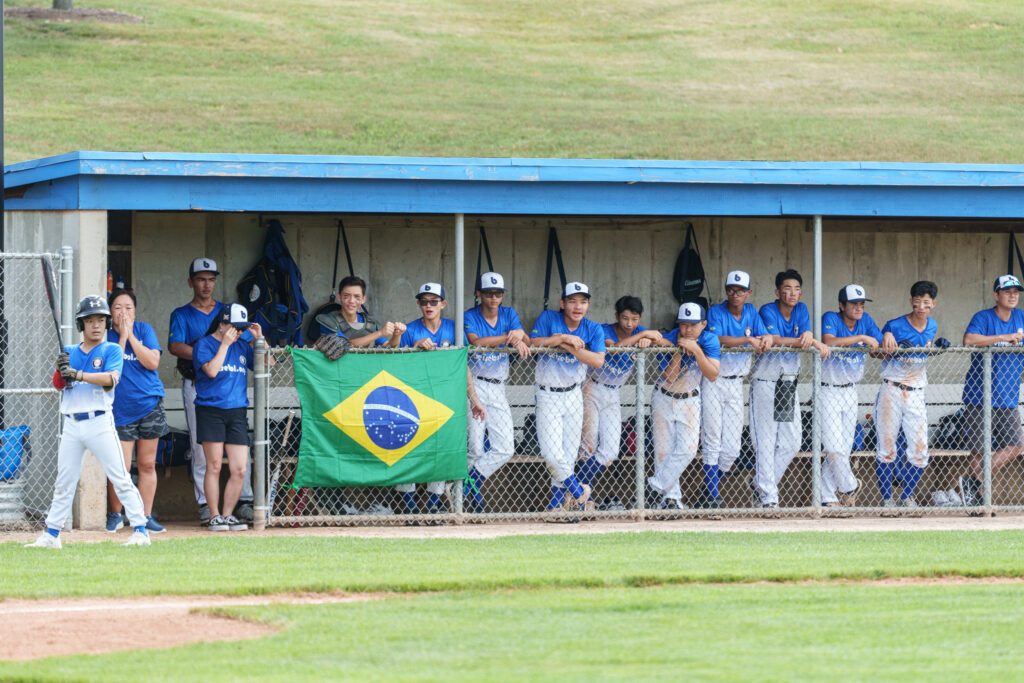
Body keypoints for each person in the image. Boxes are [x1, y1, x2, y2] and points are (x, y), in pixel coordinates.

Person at [26, 296, 151, 548]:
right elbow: (59, 385)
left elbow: (110, 379)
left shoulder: (112, 349)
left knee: (120, 476)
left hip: (99, 422)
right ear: (81, 324)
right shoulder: (70, 352)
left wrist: (78, 374)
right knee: (64, 480)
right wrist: (60, 370)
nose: (96, 325)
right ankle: (51, 535)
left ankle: (140, 530)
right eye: (90, 320)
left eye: (101, 320)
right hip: (72, 423)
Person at [168, 258, 254, 524]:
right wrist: (209, 354)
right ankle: (207, 505)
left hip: (232, 393)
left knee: (240, 460)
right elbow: (174, 346)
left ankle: (242, 502)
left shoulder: (228, 312)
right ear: (191, 282)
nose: (206, 284)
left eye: (211, 279)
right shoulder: (182, 313)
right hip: (198, 384)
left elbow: (254, 349)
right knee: (203, 452)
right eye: (201, 279)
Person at [395, 283, 484, 517]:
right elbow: (393, 361)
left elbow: (463, 365)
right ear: (418, 304)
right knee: (410, 448)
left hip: (445, 398)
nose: (428, 306)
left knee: (441, 450)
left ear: (443, 304)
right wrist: (414, 347)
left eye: (434, 301)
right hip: (414, 398)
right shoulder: (411, 329)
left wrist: (473, 398)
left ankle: (433, 503)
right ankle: (409, 505)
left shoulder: (454, 329)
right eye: (424, 301)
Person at [749, 269, 830, 511]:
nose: (792, 293)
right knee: (765, 442)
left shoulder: (802, 309)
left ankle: (762, 484)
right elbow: (772, 339)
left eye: (796, 288)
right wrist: (811, 340)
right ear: (777, 292)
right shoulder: (767, 310)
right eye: (787, 288)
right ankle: (768, 498)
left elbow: (802, 338)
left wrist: (809, 338)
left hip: (788, 384)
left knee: (791, 442)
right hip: (766, 381)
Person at [576, 296, 662, 508]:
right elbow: (615, 348)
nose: (630, 324)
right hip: (591, 387)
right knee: (587, 447)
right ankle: (583, 498)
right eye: (625, 318)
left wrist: (649, 339)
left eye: (634, 319)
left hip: (614, 394)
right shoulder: (604, 330)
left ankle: (577, 488)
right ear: (617, 316)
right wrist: (642, 335)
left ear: (639, 317)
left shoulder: (641, 331)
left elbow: (659, 338)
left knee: (611, 451)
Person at [530, 282, 606, 515]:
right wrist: (562, 337)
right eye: (572, 301)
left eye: (582, 301)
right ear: (562, 303)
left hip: (574, 394)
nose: (577, 306)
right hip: (548, 393)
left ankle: (555, 505)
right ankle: (578, 492)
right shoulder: (549, 317)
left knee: (568, 454)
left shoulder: (593, 328)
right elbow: (532, 344)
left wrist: (569, 346)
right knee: (552, 453)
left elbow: (598, 361)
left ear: (588, 305)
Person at [701, 271, 773, 508]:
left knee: (732, 449)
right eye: (731, 290)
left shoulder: (751, 312)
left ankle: (708, 489)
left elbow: (764, 334)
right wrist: (747, 340)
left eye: (740, 291)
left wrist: (766, 340)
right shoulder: (716, 311)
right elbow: (717, 340)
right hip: (714, 380)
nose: (735, 295)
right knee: (712, 441)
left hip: (737, 383)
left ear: (748, 293)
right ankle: (713, 497)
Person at [193, 303, 265, 531]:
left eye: (242, 328)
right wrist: (224, 344)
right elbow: (212, 371)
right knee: (213, 465)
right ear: (222, 324)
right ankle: (214, 515)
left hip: (237, 411)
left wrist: (259, 340)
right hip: (210, 410)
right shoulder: (204, 344)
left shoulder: (243, 345)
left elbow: (269, 363)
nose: (239, 333)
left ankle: (227, 514)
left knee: (240, 468)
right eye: (235, 327)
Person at [463, 272, 530, 513]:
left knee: (505, 447)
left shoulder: (509, 314)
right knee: (476, 448)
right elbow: (476, 342)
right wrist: (509, 337)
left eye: (498, 293)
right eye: (489, 293)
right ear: (479, 294)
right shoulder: (469, 315)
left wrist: (520, 336)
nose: (494, 297)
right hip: (475, 385)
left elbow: (525, 340)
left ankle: (469, 484)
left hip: (499, 385)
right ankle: (468, 499)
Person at [646, 303, 721, 510]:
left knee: (688, 449)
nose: (687, 330)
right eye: (684, 324)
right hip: (664, 397)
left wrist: (696, 350)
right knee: (664, 451)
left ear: (703, 324)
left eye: (693, 325)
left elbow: (713, 375)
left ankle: (655, 487)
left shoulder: (709, 339)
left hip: (690, 398)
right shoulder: (669, 338)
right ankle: (671, 500)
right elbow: (669, 378)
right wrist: (679, 351)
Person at [958, 275, 1024, 508]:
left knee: (1017, 445)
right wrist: (1003, 337)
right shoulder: (984, 317)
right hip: (979, 395)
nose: (1013, 295)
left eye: (1016, 291)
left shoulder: (1021, 317)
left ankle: (973, 480)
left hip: (1008, 397)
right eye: (1007, 291)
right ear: (996, 295)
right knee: (978, 450)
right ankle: (979, 503)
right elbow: (968, 340)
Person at [873, 280, 940, 508]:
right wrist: (889, 343)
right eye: (917, 301)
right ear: (911, 301)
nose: (921, 306)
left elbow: (922, 354)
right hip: (892, 389)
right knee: (887, 447)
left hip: (916, 392)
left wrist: (936, 350)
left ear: (933, 304)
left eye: (926, 302)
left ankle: (906, 497)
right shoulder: (895, 325)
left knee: (920, 450)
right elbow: (877, 355)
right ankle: (887, 499)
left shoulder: (932, 326)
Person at [106, 288, 167, 533]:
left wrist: (131, 336)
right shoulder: (107, 336)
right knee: (120, 467)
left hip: (149, 404)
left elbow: (152, 362)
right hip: (121, 409)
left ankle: (144, 515)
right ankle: (115, 514)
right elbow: (113, 365)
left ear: (135, 310)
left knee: (147, 465)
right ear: (111, 312)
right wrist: (122, 337)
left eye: (128, 308)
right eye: (118, 307)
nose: (124, 313)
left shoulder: (145, 330)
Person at [819, 285, 883, 508]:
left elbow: (880, 348)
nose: (859, 307)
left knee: (843, 450)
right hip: (828, 389)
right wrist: (863, 337)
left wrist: (887, 338)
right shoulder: (831, 318)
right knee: (834, 448)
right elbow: (828, 341)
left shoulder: (866, 320)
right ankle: (850, 486)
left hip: (850, 391)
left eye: (861, 303)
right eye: (854, 303)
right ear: (841, 305)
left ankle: (826, 496)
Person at [314, 274, 404, 346]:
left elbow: (388, 346)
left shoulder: (370, 323)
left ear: (363, 299)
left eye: (357, 297)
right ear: (339, 297)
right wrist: (380, 333)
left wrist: (397, 335)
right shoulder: (329, 321)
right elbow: (345, 346)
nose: (351, 301)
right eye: (346, 296)